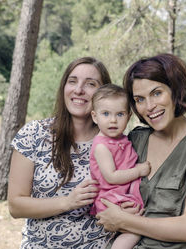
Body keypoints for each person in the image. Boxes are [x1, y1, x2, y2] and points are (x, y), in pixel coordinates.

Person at [96, 53, 186, 249]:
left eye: (157, 93)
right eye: (139, 99)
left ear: (175, 90)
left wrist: (123, 220)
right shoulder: (135, 139)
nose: (149, 107)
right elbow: (108, 188)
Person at [7, 57, 114, 248]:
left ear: (104, 94)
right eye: (72, 81)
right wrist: (68, 202)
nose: (79, 89)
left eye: (90, 84)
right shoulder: (34, 134)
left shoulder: (115, 143)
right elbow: (15, 205)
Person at [89, 83, 151, 249]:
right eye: (106, 114)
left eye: (120, 114)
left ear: (129, 116)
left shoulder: (122, 139)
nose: (113, 120)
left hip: (121, 195)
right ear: (95, 117)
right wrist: (138, 170)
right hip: (111, 198)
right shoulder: (102, 146)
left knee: (135, 225)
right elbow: (112, 176)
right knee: (134, 230)